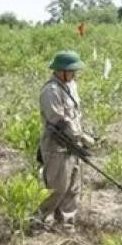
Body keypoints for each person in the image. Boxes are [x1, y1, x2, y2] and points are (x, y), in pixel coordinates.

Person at [37, 50, 95, 232]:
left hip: (73, 146)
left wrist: (82, 136)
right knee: (57, 188)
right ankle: (38, 222)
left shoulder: (71, 86)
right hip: (57, 147)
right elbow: (59, 120)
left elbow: (75, 115)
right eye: (72, 71)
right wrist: (80, 136)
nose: (74, 74)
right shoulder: (51, 91)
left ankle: (66, 225)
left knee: (72, 188)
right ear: (61, 71)